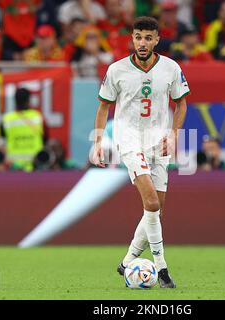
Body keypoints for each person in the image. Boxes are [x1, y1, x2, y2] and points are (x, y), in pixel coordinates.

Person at [92, 16, 190, 288]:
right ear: (132, 39)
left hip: (159, 142)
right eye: (138, 37)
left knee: (155, 213)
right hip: (130, 139)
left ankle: (127, 262)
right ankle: (162, 270)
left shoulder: (170, 68)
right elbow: (103, 107)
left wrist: (173, 134)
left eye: (148, 37)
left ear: (157, 39)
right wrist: (99, 141)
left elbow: (181, 104)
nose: (143, 42)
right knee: (152, 204)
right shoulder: (117, 70)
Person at [0, 88, 47, 172]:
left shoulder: (7, 119)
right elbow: (45, 139)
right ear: (29, 100)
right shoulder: (37, 117)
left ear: (15, 100)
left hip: (14, 166)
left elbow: (2, 141)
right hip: (35, 165)